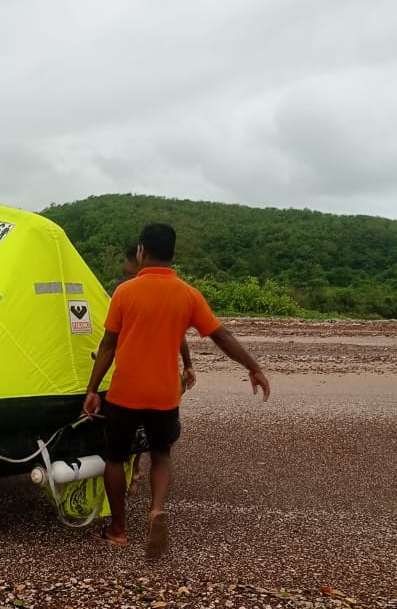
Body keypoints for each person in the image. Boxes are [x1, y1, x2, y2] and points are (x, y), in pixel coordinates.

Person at [84, 222, 270, 557]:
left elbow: (108, 346)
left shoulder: (124, 292)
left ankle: (118, 529)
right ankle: (155, 510)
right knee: (161, 454)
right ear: (173, 254)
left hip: (126, 393)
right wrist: (253, 367)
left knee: (115, 457)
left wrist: (92, 389)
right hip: (165, 394)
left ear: (141, 251)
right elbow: (222, 336)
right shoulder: (188, 294)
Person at [113, 242, 196, 494]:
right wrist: (189, 364)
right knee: (159, 443)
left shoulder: (122, 289)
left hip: (130, 375)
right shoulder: (175, 291)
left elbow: (109, 338)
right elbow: (181, 333)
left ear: (136, 258)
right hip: (162, 379)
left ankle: (131, 475)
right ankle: (141, 480)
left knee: (121, 439)